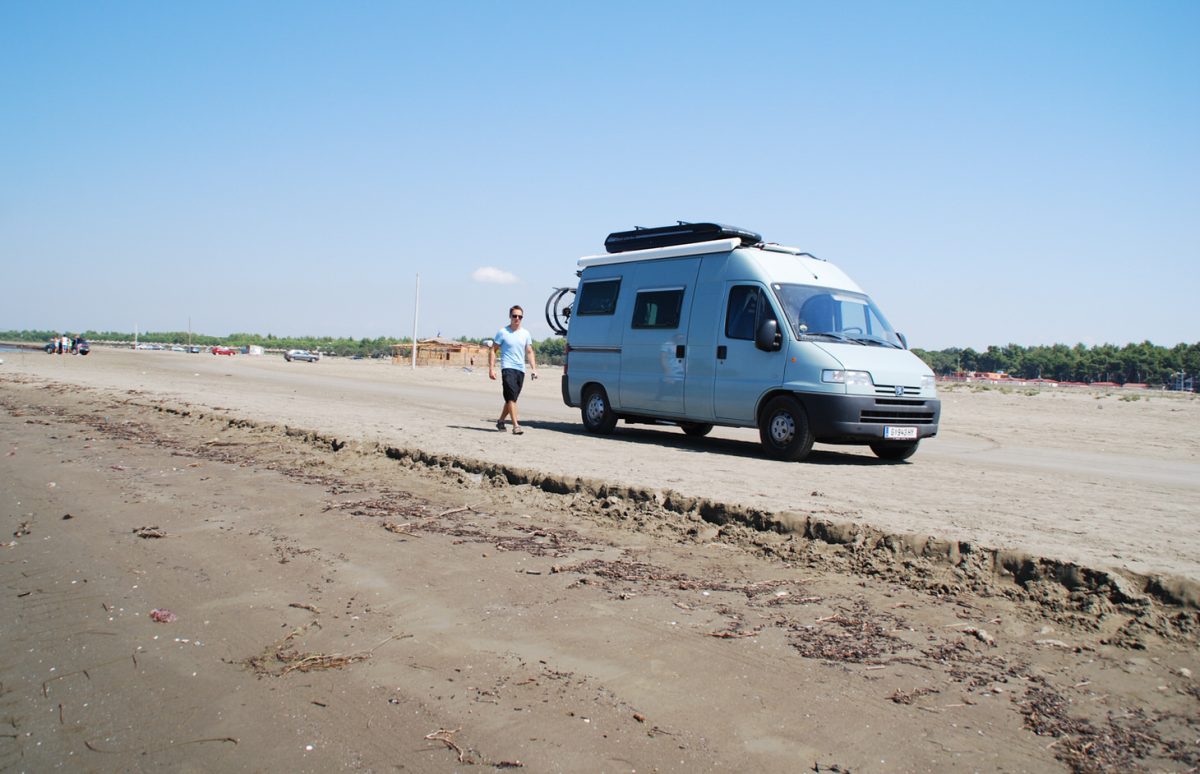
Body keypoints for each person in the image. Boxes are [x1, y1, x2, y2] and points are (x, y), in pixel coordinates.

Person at [489, 305, 537, 434]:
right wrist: (491, 369)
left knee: (512, 398)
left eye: (520, 316)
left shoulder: (526, 333)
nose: (517, 318)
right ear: (510, 316)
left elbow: (529, 351)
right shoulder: (503, 332)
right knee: (510, 396)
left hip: (520, 369)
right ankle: (516, 426)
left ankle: (501, 421)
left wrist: (534, 369)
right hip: (507, 368)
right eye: (514, 316)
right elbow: (493, 350)